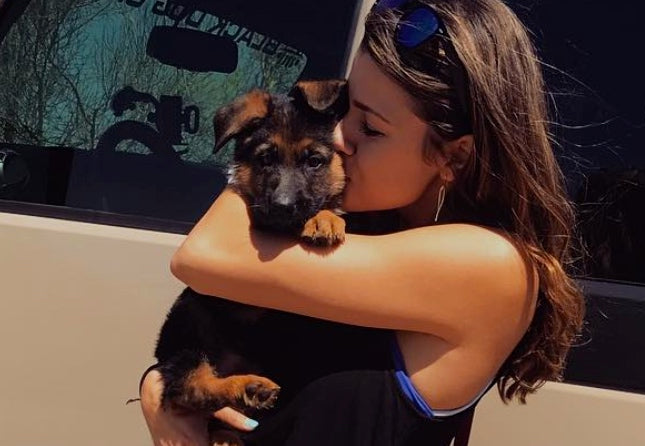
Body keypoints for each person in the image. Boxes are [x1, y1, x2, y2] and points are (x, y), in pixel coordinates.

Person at [139, 0, 585, 444]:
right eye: (344, 111)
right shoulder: (373, 232)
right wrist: (165, 387)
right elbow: (230, 326)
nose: (336, 137)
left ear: (455, 155)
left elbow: (204, 257)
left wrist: (262, 148)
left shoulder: (488, 263)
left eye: (370, 128)